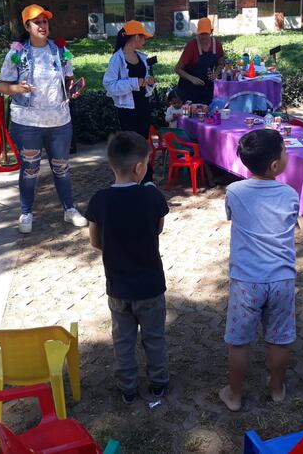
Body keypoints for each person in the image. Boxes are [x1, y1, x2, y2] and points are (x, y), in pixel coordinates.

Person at [85, 131, 170, 404]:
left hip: (118, 287)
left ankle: (127, 389)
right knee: (154, 338)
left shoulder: (99, 200)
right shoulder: (152, 197)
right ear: (139, 167)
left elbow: (95, 242)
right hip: (151, 286)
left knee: (122, 340)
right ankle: (158, 383)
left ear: (111, 165)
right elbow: (157, 229)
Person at [219, 129, 299, 412]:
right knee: (280, 338)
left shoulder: (234, 192)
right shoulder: (290, 194)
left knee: (238, 342)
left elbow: (231, 216)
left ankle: (235, 394)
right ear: (275, 165)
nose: (287, 155)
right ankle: (276, 388)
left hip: (246, 281)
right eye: (284, 151)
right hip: (282, 279)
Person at [0, 4, 87, 234]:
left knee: (62, 167)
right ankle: (26, 212)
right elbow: (1, 86)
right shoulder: (17, 53)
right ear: (27, 26)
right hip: (27, 123)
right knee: (30, 169)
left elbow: (68, 79)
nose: (42, 25)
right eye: (37, 22)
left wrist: (72, 89)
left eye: (45, 21)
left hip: (59, 121)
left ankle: (69, 209)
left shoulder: (59, 51)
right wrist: (17, 87)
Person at [103, 20, 156, 184]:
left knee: (143, 142)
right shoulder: (117, 59)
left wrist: (149, 82)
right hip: (127, 109)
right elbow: (109, 85)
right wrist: (136, 82)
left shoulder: (141, 57)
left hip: (143, 105)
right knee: (131, 144)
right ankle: (131, 178)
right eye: (143, 37)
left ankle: (146, 177)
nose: (144, 41)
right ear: (135, 37)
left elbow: (144, 81)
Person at [174, 17, 225, 105]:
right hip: (188, 88)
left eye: (206, 33)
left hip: (207, 88)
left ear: (211, 31)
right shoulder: (191, 46)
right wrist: (192, 78)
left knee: (206, 112)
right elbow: (177, 69)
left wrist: (215, 73)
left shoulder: (217, 45)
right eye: (201, 34)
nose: (203, 36)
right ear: (197, 33)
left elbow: (221, 64)